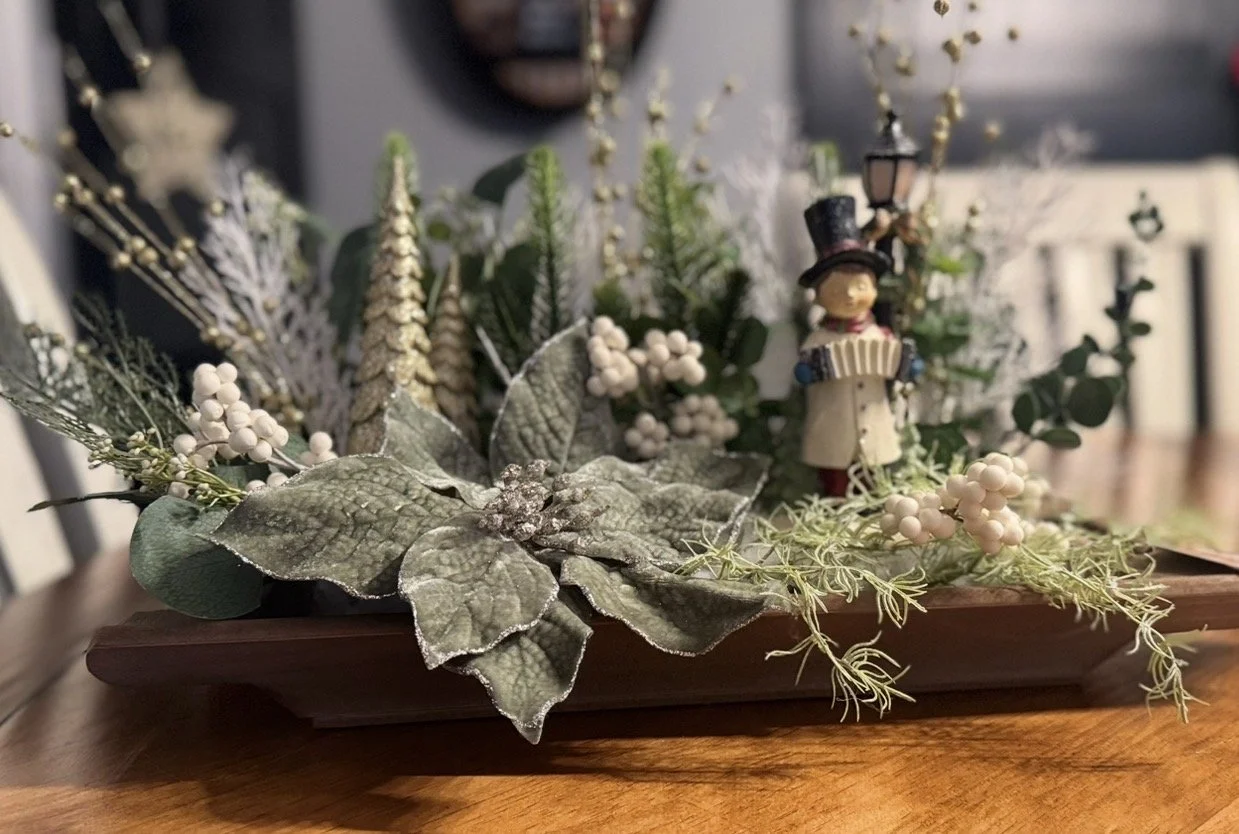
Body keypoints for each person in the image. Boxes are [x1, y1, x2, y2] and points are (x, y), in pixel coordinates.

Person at [793, 195, 914, 497]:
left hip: (873, 423)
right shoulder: (818, 340)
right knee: (835, 477)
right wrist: (809, 371)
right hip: (834, 424)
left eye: (860, 286)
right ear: (820, 294)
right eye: (837, 288)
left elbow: (898, 363)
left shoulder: (880, 334)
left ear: (873, 288)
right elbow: (803, 371)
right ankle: (835, 504)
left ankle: (870, 504)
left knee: (873, 474)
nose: (849, 295)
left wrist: (909, 366)